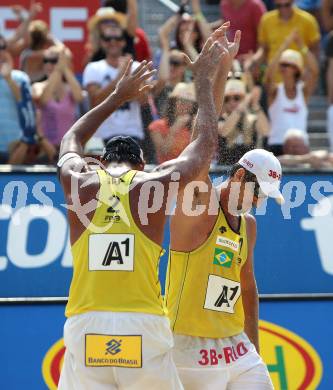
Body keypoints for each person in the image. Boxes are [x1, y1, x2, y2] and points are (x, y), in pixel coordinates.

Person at [57, 26, 232, 389]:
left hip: (86, 323)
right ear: (141, 164)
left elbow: (71, 139)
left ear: (101, 162)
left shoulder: (81, 180)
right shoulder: (151, 184)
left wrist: (117, 96)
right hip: (142, 323)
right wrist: (202, 79)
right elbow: (204, 145)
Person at [164, 26, 277, 390]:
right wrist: (221, 72)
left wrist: (253, 350)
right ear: (241, 177)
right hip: (189, 345)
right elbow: (201, 142)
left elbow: (248, 289)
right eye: (259, 191)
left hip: (235, 347)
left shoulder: (249, 224)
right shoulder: (200, 203)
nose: (260, 201)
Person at [83, 23, 145, 145]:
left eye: (118, 38)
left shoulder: (137, 66)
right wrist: (119, 77)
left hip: (132, 134)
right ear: (102, 42)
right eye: (108, 39)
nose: (113, 42)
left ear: (124, 42)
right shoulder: (93, 68)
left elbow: (144, 100)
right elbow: (95, 101)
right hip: (102, 135)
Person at [265, 30, 318, 155]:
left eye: (286, 64)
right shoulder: (276, 91)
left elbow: (315, 71)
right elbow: (268, 75)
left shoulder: (303, 91)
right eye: (281, 64)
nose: (281, 67)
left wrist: (301, 45)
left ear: (296, 69)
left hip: (300, 146)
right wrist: (285, 45)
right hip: (277, 146)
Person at [32, 46, 83, 154]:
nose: (48, 65)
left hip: (68, 150)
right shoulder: (38, 86)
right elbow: (43, 100)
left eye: (54, 61)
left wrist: (65, 69)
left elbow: (79, 97)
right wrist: (58, 70)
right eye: (46, 61)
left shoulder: (70, 89)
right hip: (44, 149)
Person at [249, 0, 320, 74]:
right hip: (273, 79)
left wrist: (308, 71)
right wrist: (253, 61)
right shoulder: (266, 20)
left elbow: (315, 50)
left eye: (287, 5)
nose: (283, 9)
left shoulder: (308, 20)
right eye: (279, 6)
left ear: (293, 2)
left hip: (299, 79)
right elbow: (263, 49)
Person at [217, 79, 269, 164]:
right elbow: (224, 131)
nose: (231, 102)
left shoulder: (252, 119)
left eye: (236, 98)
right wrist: (243, 103)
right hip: (225, 169)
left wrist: (255, 104)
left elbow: (265, 131)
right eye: (227, 99)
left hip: (249, 170)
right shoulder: (220, 119)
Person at [149, 82, 197, 164]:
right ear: (173, 102)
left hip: (188, 171)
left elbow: (197, 153)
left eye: (189, 102)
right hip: (165, 171)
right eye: (182, 101)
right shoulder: (157, 126)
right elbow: (164, 151)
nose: (185, 105)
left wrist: (195, 129)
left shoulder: (195, 125)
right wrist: (175, 129)